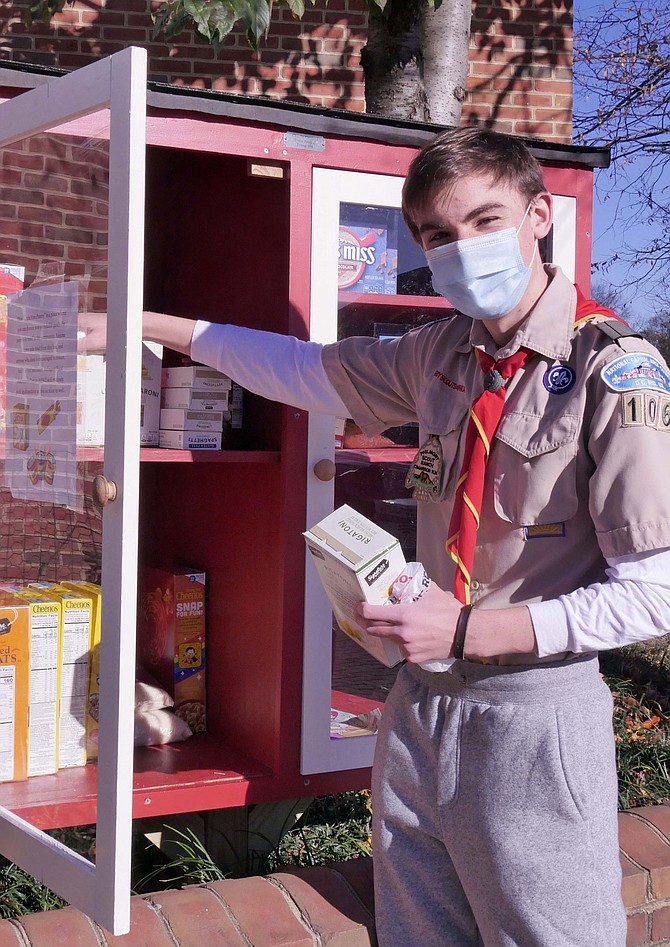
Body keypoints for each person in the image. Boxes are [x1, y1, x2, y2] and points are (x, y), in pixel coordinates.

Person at [82, 126, 670, 946]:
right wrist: (146, 324)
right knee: (417, 930)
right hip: (421, 705)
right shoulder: (444, 352)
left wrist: (469, 628)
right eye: (437, 235)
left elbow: (653, 595)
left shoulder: (613, 369)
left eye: (484, 220)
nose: (461, 249)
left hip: (535, 716)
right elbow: (301, 369)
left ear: (540, 215)